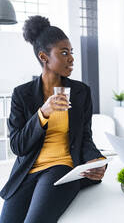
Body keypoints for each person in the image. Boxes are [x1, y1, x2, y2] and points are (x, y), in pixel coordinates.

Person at [0, 15, 107, 223]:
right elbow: (17, 146)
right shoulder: (22, 94)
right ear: (44, 57)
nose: (71, 59)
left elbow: (85, 137)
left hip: (61, 167)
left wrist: (96, 160)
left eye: (71, 53)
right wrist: (43, 113)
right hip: (27, 170)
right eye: (64, 53)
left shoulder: (81, 92)